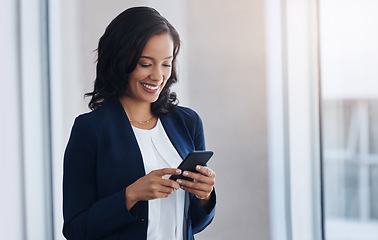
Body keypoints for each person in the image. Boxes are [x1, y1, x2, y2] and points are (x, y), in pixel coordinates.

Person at [62, 6, 216, 240]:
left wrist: (205, 197)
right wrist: (130, 195)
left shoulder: (188, 122)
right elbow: (76, 230)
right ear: (120, 60)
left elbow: (193, 223)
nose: (158, 76)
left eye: (166, 63)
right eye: (146, 64)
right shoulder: (90, 130)